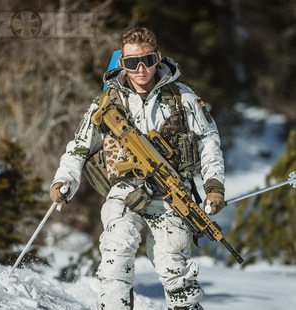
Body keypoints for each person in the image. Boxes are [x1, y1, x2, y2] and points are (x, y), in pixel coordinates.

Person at [50, 27, 225, 310]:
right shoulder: (107, 103)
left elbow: (209, 143)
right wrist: (64, 182)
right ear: (122, 63)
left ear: (158, 58)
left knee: (175, 268)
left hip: (172, 193)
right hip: (124, 190)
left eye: (147, 60)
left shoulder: (184, 98)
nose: (141, 69)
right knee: (115, 259)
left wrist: (214, 186)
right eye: (132, 62)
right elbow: (79, 148)